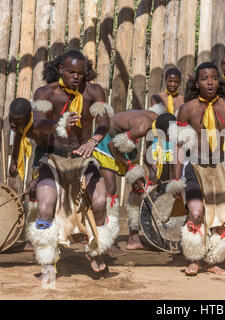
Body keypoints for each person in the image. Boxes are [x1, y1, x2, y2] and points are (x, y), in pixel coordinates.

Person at [27, 50, 118, 280]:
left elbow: (104, 122)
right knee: (46, 205)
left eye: (80, 72)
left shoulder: (94, 91)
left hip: (83, 158)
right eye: (71, 72)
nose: (76, 77)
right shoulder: (47, 93)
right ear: (61, 70)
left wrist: (92, 141)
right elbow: (37, 122)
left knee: (99, 200)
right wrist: (60, 122)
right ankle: (48, 263)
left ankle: (96, 249)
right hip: (54, 159)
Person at [167, 62, 225, 276]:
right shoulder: (187, 109)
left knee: (221, 218)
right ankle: (194, 259)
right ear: (197, 84)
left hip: (219, 169)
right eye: (205, 78)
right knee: (195, 213)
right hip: (194, 167)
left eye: (214, 77)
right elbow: (178, 145)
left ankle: (213, 260)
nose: (210, 82)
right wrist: (176, 178)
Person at [92, 103, 176, 250]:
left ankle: (133, 238)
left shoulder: (157, 121)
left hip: (126, 142)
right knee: (111, 188)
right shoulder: (143, 126)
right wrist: (130, 166)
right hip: (107, 142)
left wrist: (150, 165)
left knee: (139, 190)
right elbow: (113, 145)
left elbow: (149, 143)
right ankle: (106, 239)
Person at [8, 98, 48, 252]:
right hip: (42, 152)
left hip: (58, 153)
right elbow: (18, 137)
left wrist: (39, 178)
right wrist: (13, 162)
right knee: (33, 194)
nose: (12, 124)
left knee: (44, 191)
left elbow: (55, 149)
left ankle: (49, 237)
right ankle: (33, 238)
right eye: (11, 119)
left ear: (27, 116)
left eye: (16, 120)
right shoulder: (20, 125)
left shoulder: (41, 127)